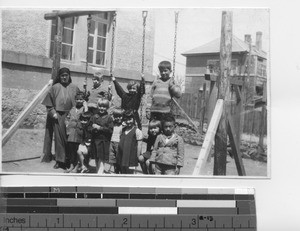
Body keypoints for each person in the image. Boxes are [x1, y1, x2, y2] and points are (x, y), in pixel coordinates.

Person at [42, 67, 80, 169]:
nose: (64, 77)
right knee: (59, 139)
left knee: (70, 139)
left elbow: (80, 101)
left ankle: (70, 160)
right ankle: (59, 161)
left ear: (69, 76)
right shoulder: (55, 87)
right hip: (58, 116)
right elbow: (49, 104)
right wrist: (53, 113)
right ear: (59, 76)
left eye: (66, 75)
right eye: (62, 75)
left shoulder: (74, 87)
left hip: (72, 116)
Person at [89, 98, 114, 174]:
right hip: (95, 140)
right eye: (100, 106)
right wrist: (92, 128)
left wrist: (100, 128)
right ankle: (98, 170)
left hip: (104, 141)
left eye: (104, 107)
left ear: (107, 108)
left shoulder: (109, 118)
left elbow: (110, 130)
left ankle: (100, 172)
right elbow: (89, 127)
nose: (102, 108)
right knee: (96, 157)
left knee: (101, 157)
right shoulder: (94, 116)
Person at [64, 91, 86, 173]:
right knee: (71, 150)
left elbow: (86, 116)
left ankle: (77, 166)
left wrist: (85, 106)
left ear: (83, 100)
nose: (79, 101)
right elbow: (67, 118)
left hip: (79, 132)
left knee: (77, 150)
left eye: (81, 99)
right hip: (70, 132)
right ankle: (71, 165)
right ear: (75, 100)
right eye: (77, 99)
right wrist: (67, 124)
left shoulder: (84, 109)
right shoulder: (72, 109)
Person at [117, 110, 143, 174]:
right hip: (122, 157)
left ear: (134, 119)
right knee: (123, 172)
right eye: (126, 119)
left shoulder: (137, 131)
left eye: (130, 119)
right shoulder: (123, 130)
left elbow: (139, 145)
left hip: (131, 158)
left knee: (130, 174)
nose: (128, 121)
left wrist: (137, 157)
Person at [108, 108, 123, 174]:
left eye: (120, 116)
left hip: (119, 143)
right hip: (112, 142)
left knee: (119, 158)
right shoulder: (112, 124)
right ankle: (116, 170)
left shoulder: (124, 125)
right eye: (116, 116)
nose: (118, 118)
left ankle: (121, 170)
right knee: (113, 158)